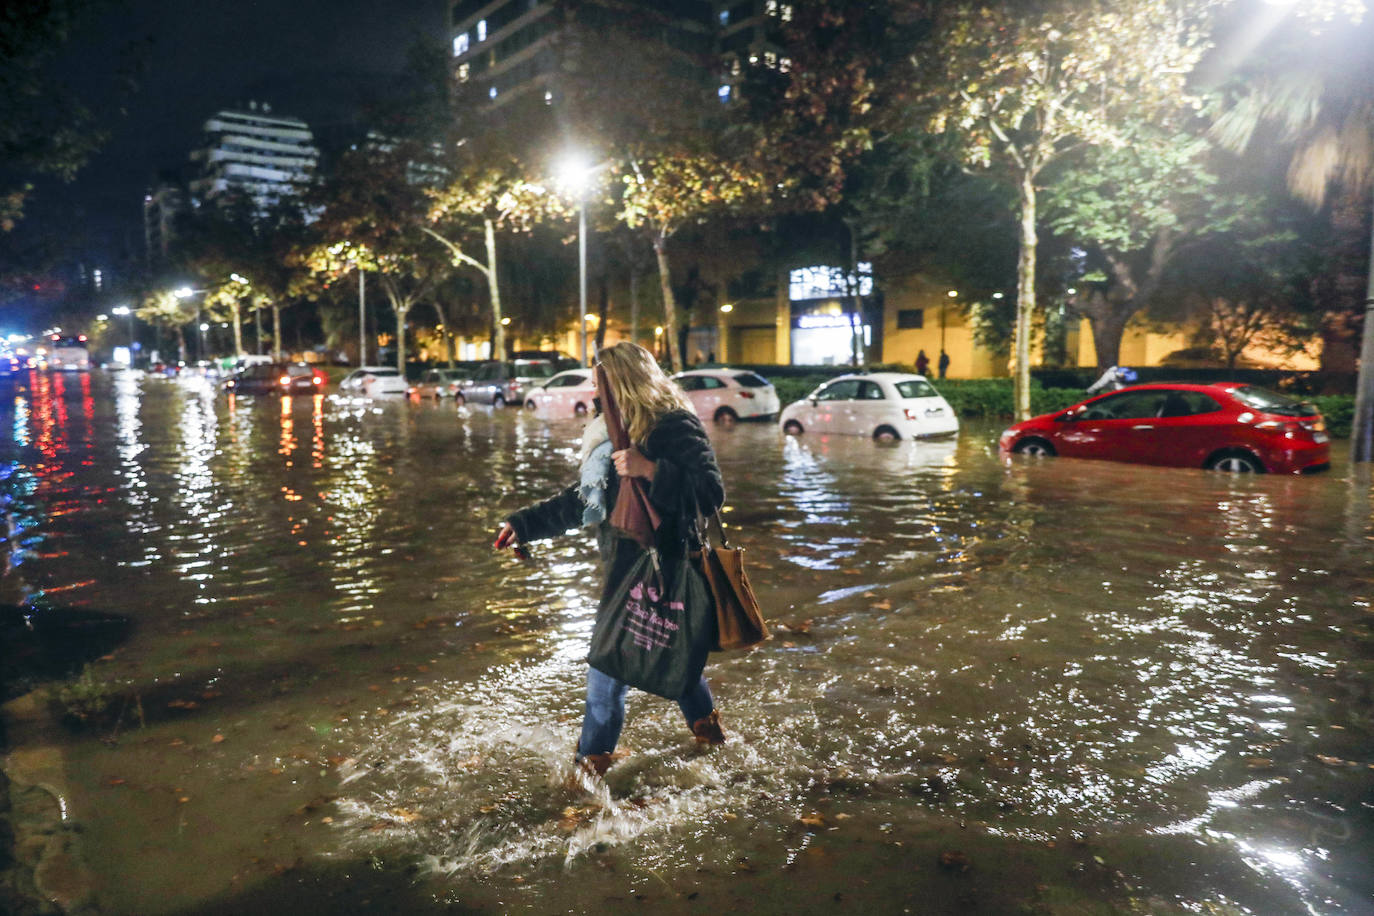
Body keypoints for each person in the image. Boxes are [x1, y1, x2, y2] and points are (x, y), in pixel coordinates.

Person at [493, 342, 727, 778]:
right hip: (624, 571)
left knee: (609, 667)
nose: (593, 386)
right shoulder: (608, 433)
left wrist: (653, 470)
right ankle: (710, 738)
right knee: (674, 655)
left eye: (599, 378)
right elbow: (582, 502)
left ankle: (587, 781)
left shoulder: (672, 426)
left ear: (623, 379)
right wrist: (523, 524)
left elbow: (711, 493)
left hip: (668, 570)